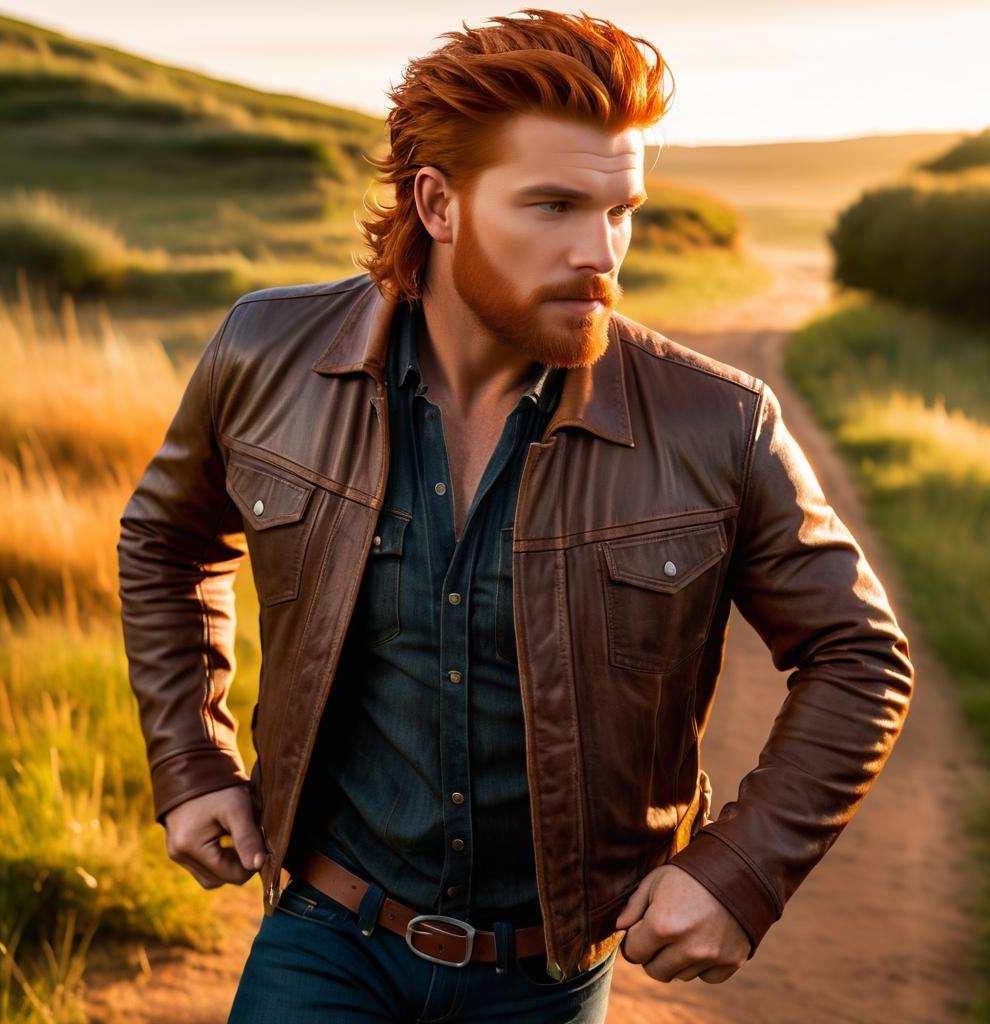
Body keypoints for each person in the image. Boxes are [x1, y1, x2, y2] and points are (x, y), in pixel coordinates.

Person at [117, 9, 914, 1022]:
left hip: (544, 980)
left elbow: (858, 654)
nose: (600, 251)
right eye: (553, 206)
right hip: (323, 936)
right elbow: (167, 541)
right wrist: (191, 761)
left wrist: (740, 871)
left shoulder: (720, 422)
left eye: (619, 211)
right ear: (438, 204)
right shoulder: (265, 352)